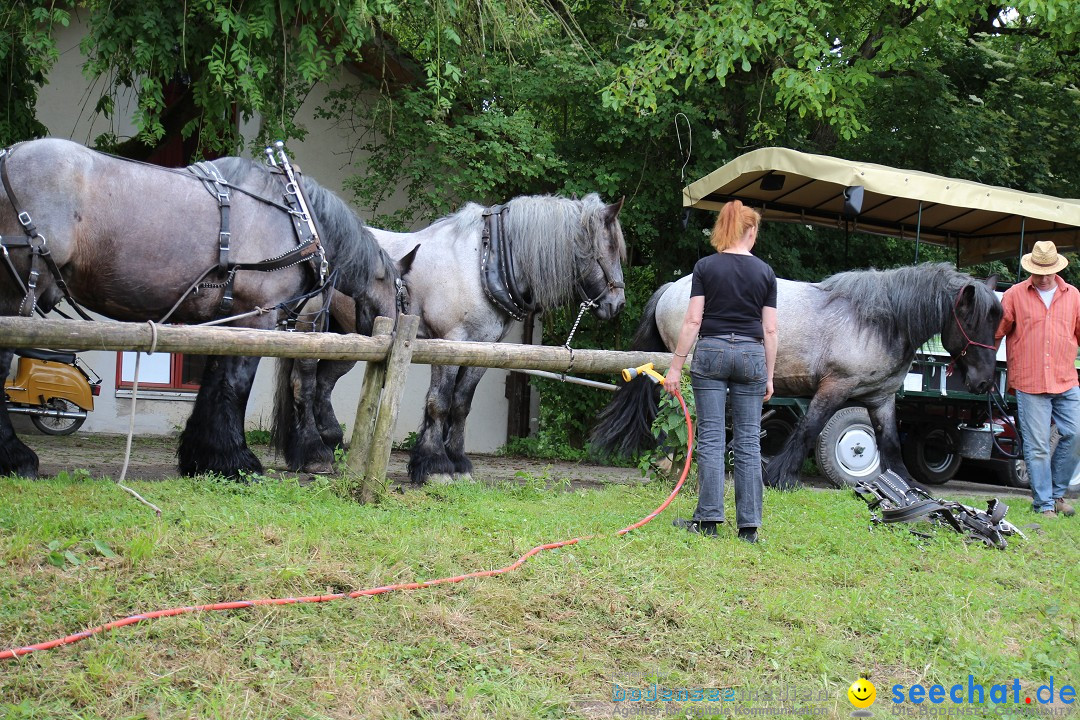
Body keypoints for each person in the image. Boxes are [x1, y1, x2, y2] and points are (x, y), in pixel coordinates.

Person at [663, 200, 778, 543]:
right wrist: (769, 375)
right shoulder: (765, 273)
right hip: (751, 354)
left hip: (711, 351)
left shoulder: (705, 267)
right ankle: (749, 528)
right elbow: (770, 330)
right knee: (747, 443)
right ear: (751, 231)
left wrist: (675, 366)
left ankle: (709, 520)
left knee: (711, 438)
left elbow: (693, 320)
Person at [996, 240, 1079, 518]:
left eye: (1048, 272)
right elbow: (996, 333)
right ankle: (1044, 504)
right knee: (1038, 445)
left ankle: (1057, 494)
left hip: (1065, 378)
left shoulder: (1074, 296)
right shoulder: (1014, 295)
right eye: (1039, 272)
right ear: (1031, 269)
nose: (1044, 278)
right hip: (1030, 382)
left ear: (1056, 269)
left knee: (1075, 434)